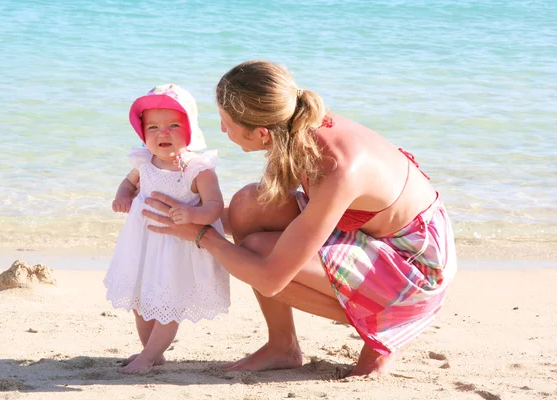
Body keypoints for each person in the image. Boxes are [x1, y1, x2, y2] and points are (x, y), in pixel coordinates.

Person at [141, 61, 457, 377]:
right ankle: (282, 346)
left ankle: (383, 337)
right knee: (247, 207)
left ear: (261, 133)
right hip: (371, 236)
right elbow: (246, 218)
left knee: (256, 253)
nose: (223, 130)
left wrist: (202, 236)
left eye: (226, 122)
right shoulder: (298, 126)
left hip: (415, 269)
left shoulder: (335, 166)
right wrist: (189, 215)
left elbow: (270, 278)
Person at [104, 84, 230, 375]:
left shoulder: (198, 169)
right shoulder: (143, 163)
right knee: (139, 298)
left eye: (174, 125)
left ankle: (149, 356)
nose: (163, 133)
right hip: (142, 245)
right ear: (142, 131)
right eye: (154, 127)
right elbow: (128, 184)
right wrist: (122, 197)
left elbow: (214, 205)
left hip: (177, 249)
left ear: (190, 129)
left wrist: (194, 213)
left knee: (168, 300)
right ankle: (151, 350)